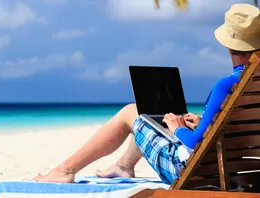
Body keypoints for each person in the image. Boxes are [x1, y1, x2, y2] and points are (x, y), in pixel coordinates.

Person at [33, 3, 260, 184]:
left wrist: (177, 127)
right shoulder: (253, 85)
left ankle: (65, 170)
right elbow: (230, 134)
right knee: (152, 115)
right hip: (231, 169)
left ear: (228, 45)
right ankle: (123, 166)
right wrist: (204, 123)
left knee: (130, 113)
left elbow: (193, 142)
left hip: (190, 171)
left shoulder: (227, 85)